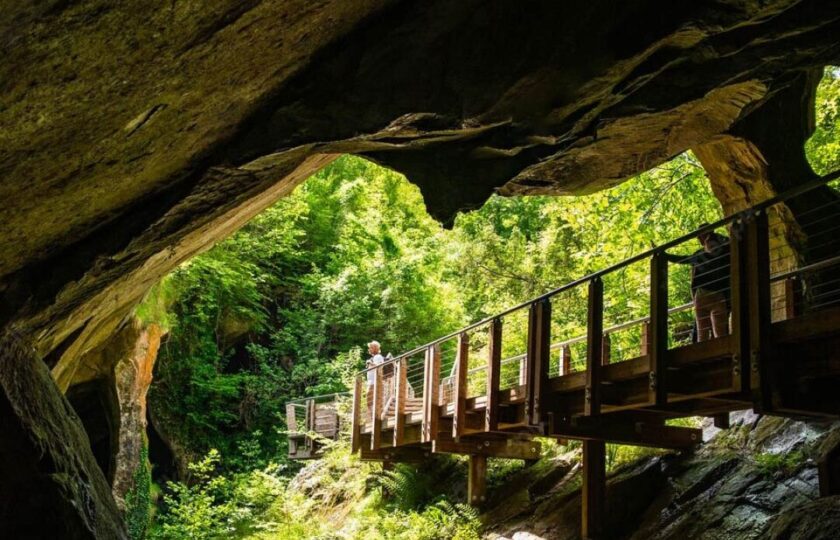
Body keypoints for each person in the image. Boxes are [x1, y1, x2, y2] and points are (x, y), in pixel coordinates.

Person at [667, 226, 731, 342]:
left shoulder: (724, 250)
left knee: (715, 332)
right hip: (707, 296)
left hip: (715, 296)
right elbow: (682, 259)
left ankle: (716, 352)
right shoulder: (701, 254)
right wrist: (664, 255)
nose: (698, 238)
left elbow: (731, 242)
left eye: (700, 235)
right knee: (708, 332)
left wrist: (713, 236)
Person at [365, 340, 385, 412]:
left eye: (371, 348)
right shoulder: (374, 358)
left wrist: (370, 363)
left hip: (374, 382)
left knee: (370, 402)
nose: (369, 349)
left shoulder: (378, 357)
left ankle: (375, 418)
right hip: (372, 382)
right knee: (370, 402)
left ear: (375, 348)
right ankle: (374, 418)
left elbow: (378, 366)